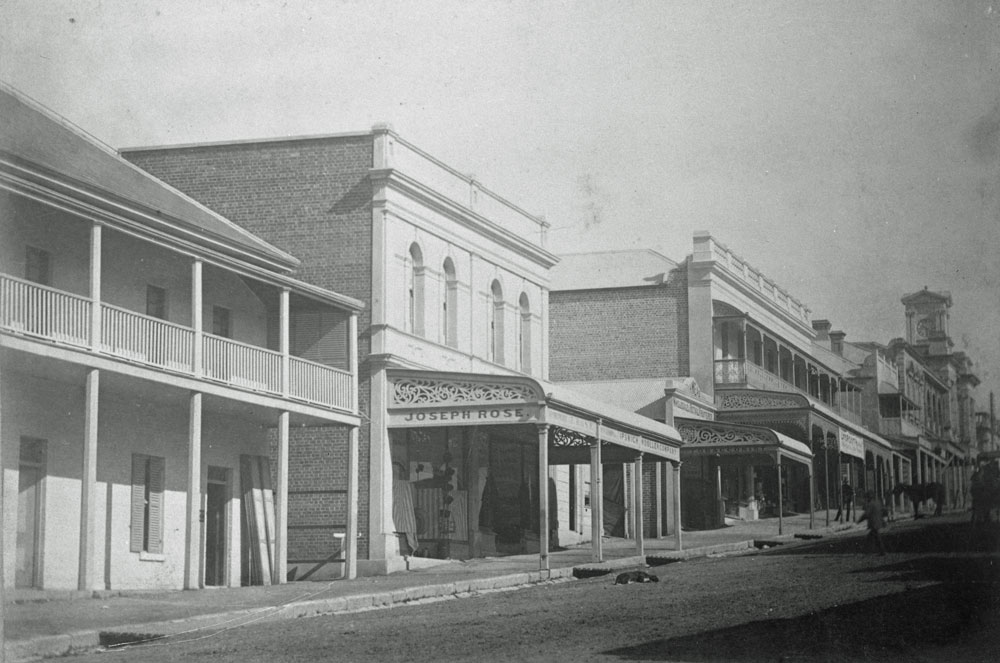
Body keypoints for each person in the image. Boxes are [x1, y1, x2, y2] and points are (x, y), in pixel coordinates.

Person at [857, 490, 887, 556]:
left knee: (873, 538)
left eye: (866, 497)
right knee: (874, 537)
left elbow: (866, 514)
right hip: (878, 522)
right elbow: (883, 512)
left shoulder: (870, 504)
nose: (865, 499)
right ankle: (880, 551)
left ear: (869, 497)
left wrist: (859, 521)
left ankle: (869, 551)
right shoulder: (877, 503)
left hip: (874, 523)